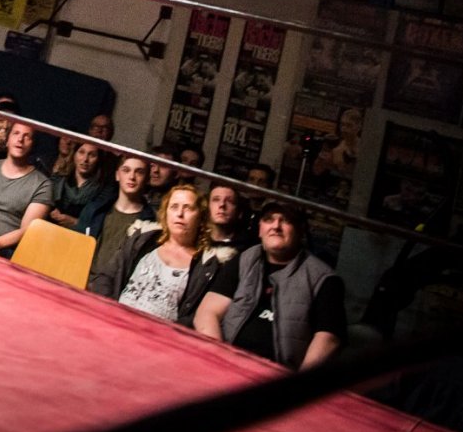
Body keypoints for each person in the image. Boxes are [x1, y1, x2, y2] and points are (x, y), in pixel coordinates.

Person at [194, 199, 345, 369]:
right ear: (260, 228)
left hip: (278, 374)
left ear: (300, 230)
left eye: (286, 220)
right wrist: (218, 357)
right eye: (269, 219)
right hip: (226, 363)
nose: (276, 226)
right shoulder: (243, 261)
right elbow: (207, 312)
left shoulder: (323, 278)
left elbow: (328, 338)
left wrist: (298, 382)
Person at [92, 184, 239, 327]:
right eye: (174, 207)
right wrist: (110, 312)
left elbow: (195, 317)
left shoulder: (206, 265)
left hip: (159, 336)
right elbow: (106, 277)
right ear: (166, 213)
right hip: (115, 322)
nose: (180, 214)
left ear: (201, 217)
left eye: (188, 208)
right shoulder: (142, 240)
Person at [0, 120, 54, 257]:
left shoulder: (42, 184)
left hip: (5, 250)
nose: (20, 139)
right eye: (16, 133)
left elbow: (27, 231)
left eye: (27, 136)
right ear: (7, 140)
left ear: (33, 144)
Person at [83, 154, 154, 274]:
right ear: (117, 175)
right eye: (126, 170)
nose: (132, 177)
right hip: (82, 278)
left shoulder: (151, 223)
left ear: (147, 178)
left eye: (139, 172)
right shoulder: (95, 210)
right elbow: (76, 248)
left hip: (117, 284)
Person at [49, 139, 117, 230]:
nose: (85, 159)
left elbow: (102, 222)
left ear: (98, 160)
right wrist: (51, 210)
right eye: (81, 152)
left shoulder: (105, 188)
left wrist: (76, 222)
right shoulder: (59, 179)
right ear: (74, 154)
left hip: (82, 235)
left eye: (92, 155)